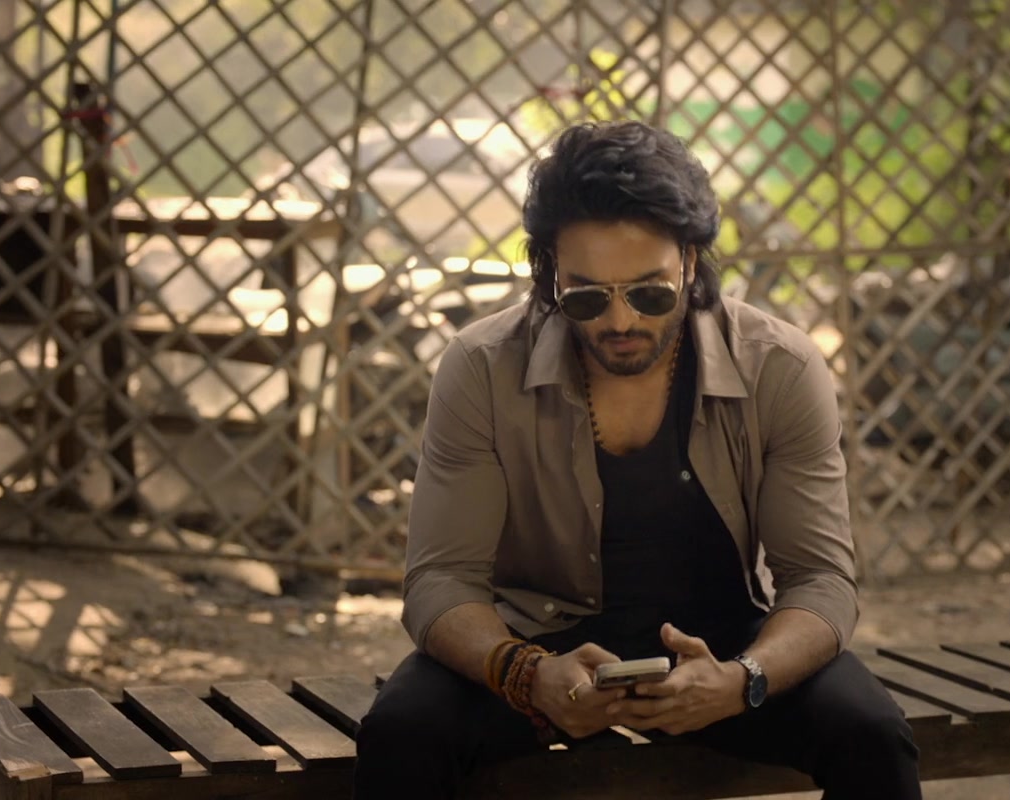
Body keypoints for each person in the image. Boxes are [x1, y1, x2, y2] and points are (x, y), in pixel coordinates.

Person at [352, 120, 922, 799]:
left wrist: (743, 680)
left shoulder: (780, 366)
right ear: (549, 273)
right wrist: (524, 673)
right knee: (402, 735)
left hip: (723, 645)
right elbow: (441, 579)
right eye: (587, 297)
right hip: (537, 640)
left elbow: (822, 579)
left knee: (871, 736)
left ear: (690, 262)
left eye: (650, 293)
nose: (620, 321)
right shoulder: (482, 367)